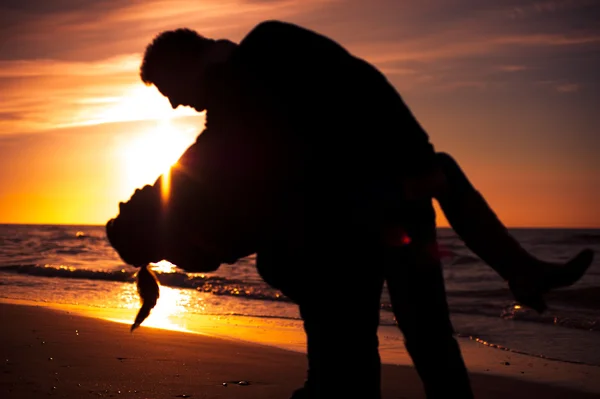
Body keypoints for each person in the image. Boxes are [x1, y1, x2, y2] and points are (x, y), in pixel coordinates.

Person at [107, 20, 593, 398]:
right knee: (416, 339)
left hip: (372, 210)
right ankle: (519, 270)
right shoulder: (240, 92)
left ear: (187, 65)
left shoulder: (264, 56)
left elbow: (358, 89)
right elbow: (212, 168)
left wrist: (415, 161)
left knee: (403, 337)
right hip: (377, 203)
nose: (174, 106)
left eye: (170, 91)